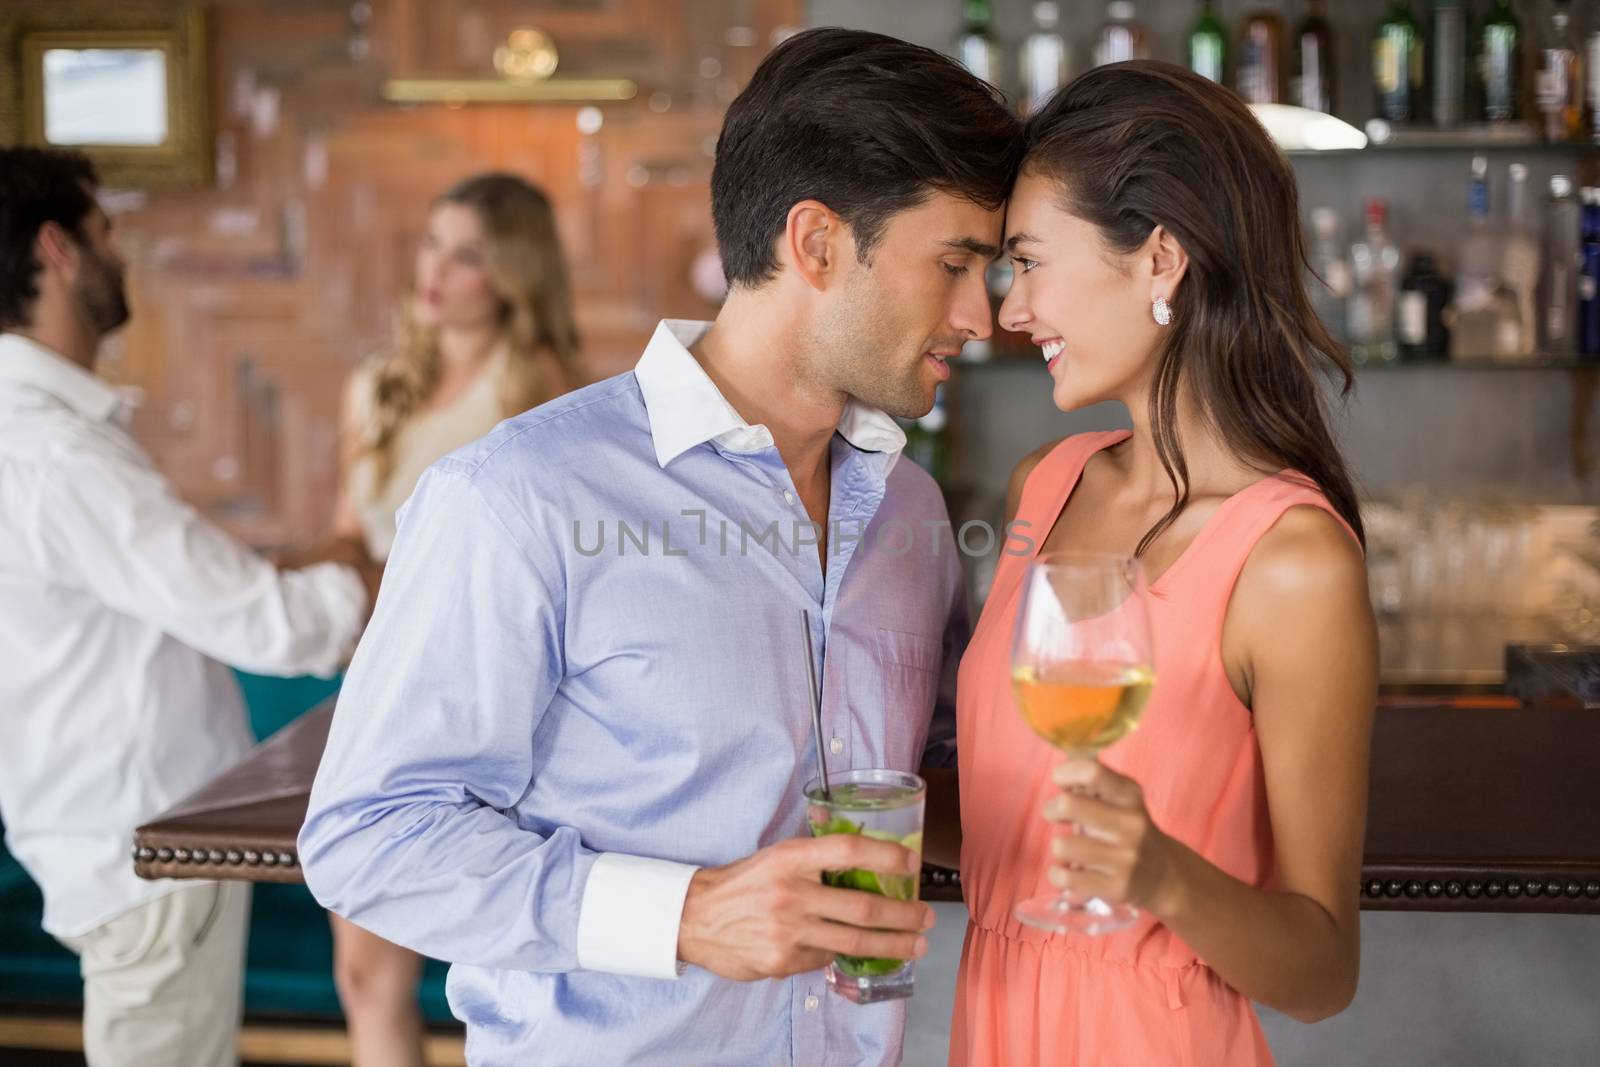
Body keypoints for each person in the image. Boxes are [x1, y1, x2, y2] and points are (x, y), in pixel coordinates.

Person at [299, 28, 1019, 1066]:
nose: (979, 316)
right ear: (815, 243)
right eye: (955, 264)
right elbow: (368, 835)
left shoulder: (907, 509)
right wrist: (686, 912)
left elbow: (939, 778)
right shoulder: (517, 495)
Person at [951, 62, 1378, 1066]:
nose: (1010, 312)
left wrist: (1162, 875)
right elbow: (1010, 808)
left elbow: (1323, 970)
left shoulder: (1291, 562)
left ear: (1160, 260)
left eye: (1029, 262)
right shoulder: (1044, 485)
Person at [0, 147, 373, 1067]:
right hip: (142, 847)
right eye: (105, 234)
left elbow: (150, 589)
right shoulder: (58, 455)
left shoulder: (41, 439)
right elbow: (275, 627)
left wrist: (305, 563)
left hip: (100, 825)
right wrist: (384, 579)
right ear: (56, 250)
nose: (118, 254)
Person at [323, 172, 581, 1067]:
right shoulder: (376, 385)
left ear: (512, 270)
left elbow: (552, 555)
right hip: (372, 687)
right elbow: (347, 535)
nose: (437, 270)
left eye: (467, 252)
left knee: (487, 966)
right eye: (433, 243)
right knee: (363, 968)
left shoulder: (536, 384)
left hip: (480, 700)